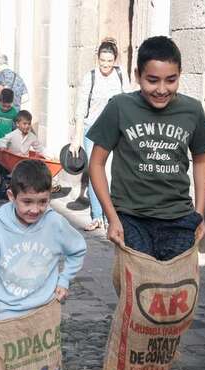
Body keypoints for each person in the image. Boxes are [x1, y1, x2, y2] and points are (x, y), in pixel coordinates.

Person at [87, 35, 205, 259]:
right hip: (130, 218)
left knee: (176, 290)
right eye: (152, 80)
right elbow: (96, 163)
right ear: (138, 75)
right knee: (138, 290)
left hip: (178, 219)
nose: (161, 89)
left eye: (171, 80)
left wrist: (199, 214)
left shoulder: (192, 110)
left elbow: (201, 159)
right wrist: (112, 217)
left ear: (179, 75)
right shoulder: (120, 107)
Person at [0, 159, 86, 322]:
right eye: (27, 202)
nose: (35, 209)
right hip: (6, 313)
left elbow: (77, 249)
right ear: (11, 196)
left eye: (42, 202)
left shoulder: (55, 223)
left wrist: (64, 280)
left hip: (45, 309)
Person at [70, 38, 127, 231]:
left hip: (115, 130)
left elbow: (127, 102)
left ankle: (111, 215)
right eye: (103, 60)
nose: (105, 65)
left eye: (109, 61)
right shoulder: (90, 77)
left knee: (111, 174)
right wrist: (76, 138)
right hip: (92, 130)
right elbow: (80, 109)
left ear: (115, 60)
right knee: (96, 172)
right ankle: (97, 215)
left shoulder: (120, 75)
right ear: (98, 59)